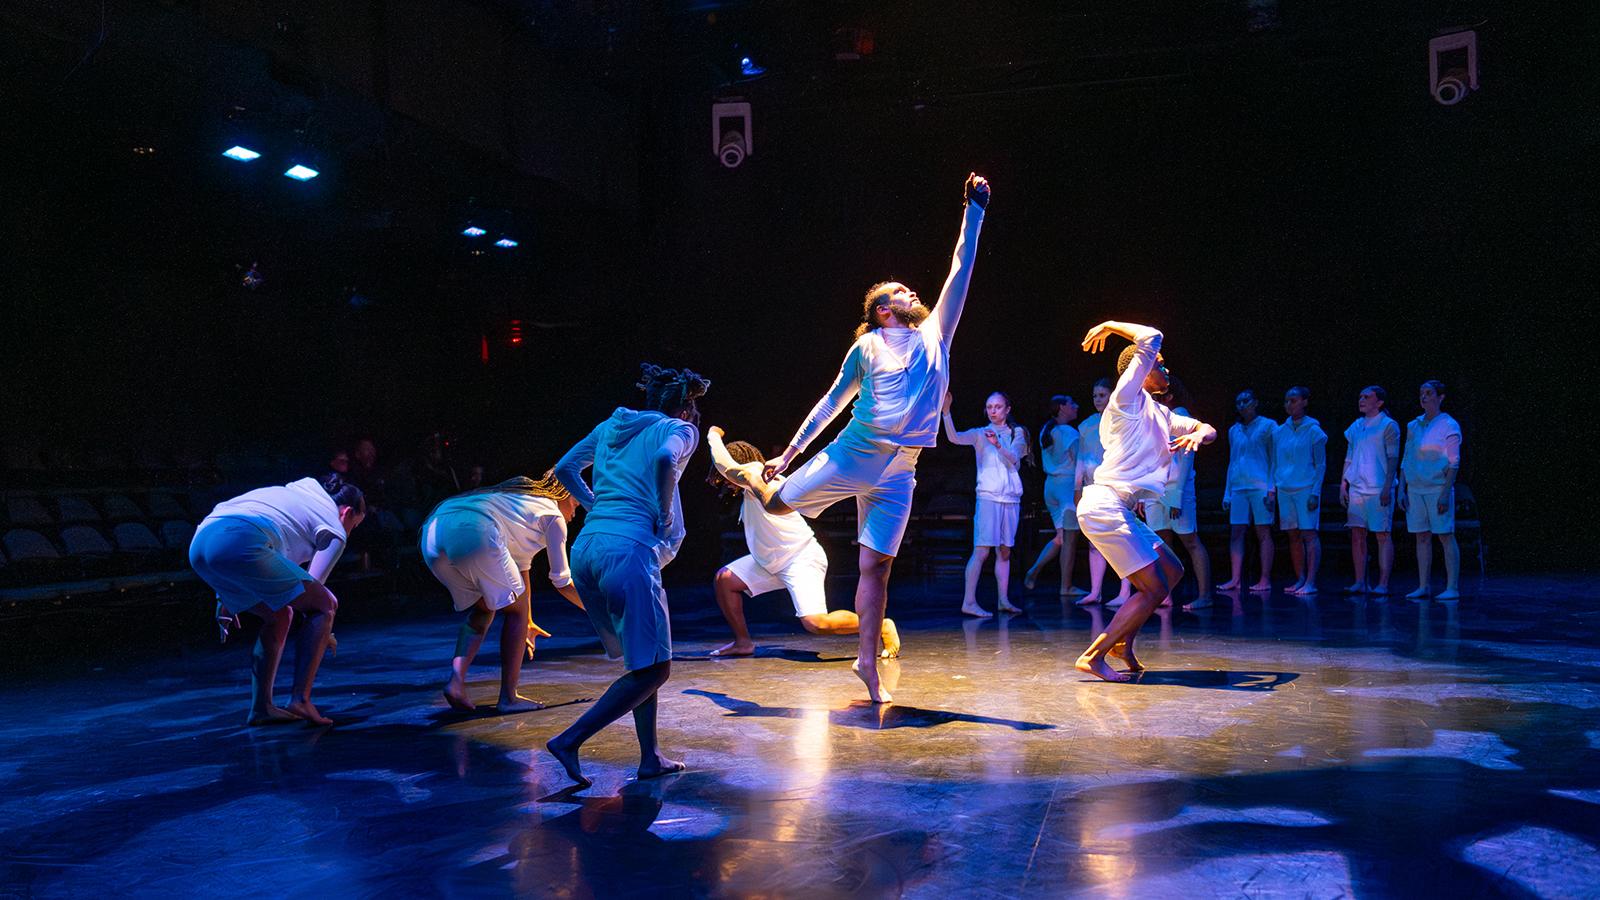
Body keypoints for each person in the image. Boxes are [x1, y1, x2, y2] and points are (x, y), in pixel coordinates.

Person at [754, 172, 990, 703]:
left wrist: (973, 210)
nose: (912, 292)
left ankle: (867, 662)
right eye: (899, 291)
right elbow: (831, 403)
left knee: (875, 566)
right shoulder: (868, 348)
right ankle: (749, 472)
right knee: (772, 502)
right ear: (883, 310)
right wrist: (791, 453)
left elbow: (961, 267)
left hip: (901, 469)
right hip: (854, 453)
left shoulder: (936, 335)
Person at [547, 364, 708, 787]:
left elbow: (564, 468)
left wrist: (592, 501)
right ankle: (569, 740)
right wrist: (664, 509)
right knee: (656, 670)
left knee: (643, 660)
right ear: (686, 407)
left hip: (586, 549)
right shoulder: (680, 429)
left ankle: (650, 756)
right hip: (627, 551)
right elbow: (663, 458)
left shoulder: (612, 425)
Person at [1072, 321, 1217, 683]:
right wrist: (1109, 326)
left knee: (1172, 571)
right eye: (1160, 365)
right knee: (1152, 588)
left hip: (1120, 507)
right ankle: (1095, 655)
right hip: (1104, 505)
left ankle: (1123, 645)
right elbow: (1150, 336)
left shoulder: (1160, 413)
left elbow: (1206, 429)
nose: (1166, 370)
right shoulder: (1126, 401)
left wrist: (1198, 433)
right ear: (1142, 369)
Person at [702, 427, 900, 658]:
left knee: (816, 623)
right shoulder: (750, 489)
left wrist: (712, 435)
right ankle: (743, 643)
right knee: (725, 579)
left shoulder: (757, 473)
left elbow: (723, 463)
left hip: (800, 559)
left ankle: (881, 625)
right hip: (769, 562)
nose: (726, 481)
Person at [190, 474, 365, 726]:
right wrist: (324, 632)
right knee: (327, 604)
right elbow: (315, 589)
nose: (351, 531)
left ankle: (261, 708)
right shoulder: (334, 527)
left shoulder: (296, 497)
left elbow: (226, 540)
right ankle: (300, 700)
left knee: (279, 615)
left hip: (200, 544)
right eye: (354, 525)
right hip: (241, 540)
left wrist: (223, 596)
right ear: (346, 512)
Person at [423, 472, 586, 713]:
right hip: (474, 530)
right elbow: (562, 581)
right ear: (562, 494)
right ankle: (508, 698)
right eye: (574, 504)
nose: (574, 514)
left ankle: (455, 683)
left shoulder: (516, 504)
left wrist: (528, 621)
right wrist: (599, 610)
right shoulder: (552, 515)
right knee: (515, 612)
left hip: (432, 536)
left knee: (484, 609)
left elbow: (522, 569)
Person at [942, 391, 1027, 617]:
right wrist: (946, 413)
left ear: (1007, 409)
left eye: (998, 407)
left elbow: (1015, 459)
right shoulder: (981, 434)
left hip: (1010, 498)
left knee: (1005, 551)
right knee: (981, 551)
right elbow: (954, 437)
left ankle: (1003, 599)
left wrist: (998, 445)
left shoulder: (1017, 433)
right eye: (989, 407)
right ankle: (969, 601)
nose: (993, 411)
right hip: (988, 497)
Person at [1145, 377, 1214, 611]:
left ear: (1168, 396)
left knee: (1190, 540)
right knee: (1162, 542)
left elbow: (1185, 460)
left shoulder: (1180, 415)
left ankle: (1205, 595)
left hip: (1177, 488)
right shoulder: (1152, 417)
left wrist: (1176, 495)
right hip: (1156, 488)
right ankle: (1166, 595)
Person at [1399, 380, 1463, 600]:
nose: (1423, 397)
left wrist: (1445, 492)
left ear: (1440, 397)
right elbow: (1406, 458)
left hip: (1437, 488)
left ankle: (1452, 587)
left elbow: (1454, 462)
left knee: (1445, 535)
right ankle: (1423, 585)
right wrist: (1402, 488)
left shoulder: (1449, 425)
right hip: (1416, 488)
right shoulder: (1413, 425)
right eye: (1421, 393)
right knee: (1421, 537)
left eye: (1428, 393)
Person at [1075, 378, 1133, 607]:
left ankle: (1125, 590)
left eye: (1102, 395)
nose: (1098, 399)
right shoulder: (1087, 425)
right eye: (1095, 396)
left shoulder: (1122, 422)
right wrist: (1077, 487)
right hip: (1093, 487)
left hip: (1116, 487)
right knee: (1094, 539)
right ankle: (1095, 591)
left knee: (1122, 538)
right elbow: (1081, 458)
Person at [1341, 385, 1401, 595]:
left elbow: (1393, 458)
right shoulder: (1356, 426)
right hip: (1358, 487)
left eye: (1367, 396)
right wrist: (1343, 484)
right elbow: (1349, 457)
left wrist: (1387, 486)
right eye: (1360, 396)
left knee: (1382, 534)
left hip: (1378, 489)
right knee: (1357, 534)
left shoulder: (1388, 425)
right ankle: (1360, 581)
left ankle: (1383, 583)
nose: (1362, 399)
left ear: (1379, 402)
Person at [1023, 394, 1084, 599]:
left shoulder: (1046, 430)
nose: (1076, 406)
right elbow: (1079, 465)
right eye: (1071, 403)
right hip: (1067, 487)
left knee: (1060, 537)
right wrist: (1081, 489)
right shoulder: (1068, 432)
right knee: (1069, 540)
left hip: (1050, 487)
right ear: (1061, 408)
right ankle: (1066, 586)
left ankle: (1034, 571)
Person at [1217, 389, 1277, 592]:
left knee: (1263, 531)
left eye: (1246, 401)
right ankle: (1235, 578)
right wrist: (1227, 492)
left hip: (1260, 486)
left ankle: (1265, 579)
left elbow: (1273, 459)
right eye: (1238, 402)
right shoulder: (1234, 430)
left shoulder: (1268, 426)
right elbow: (1232, 461)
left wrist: (1271, 489)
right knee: (1237, 532)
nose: (1242, 405)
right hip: (1239, 487)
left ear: (1255, 402)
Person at [1274, 387, 1328, 595]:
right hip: (1285, 488)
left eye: (1294, 400)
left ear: (1304, 402)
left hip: (1305, 488)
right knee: (1293, 535)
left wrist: (1315, 492)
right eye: (1287, 401)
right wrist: (1273, 488)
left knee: (1309, 533)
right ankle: (1300, 578)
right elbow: (1275, 462)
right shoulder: (1280, 431)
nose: (1290, 404)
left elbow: (1320, 464)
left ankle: (1311, 581)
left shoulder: (1314, 431)